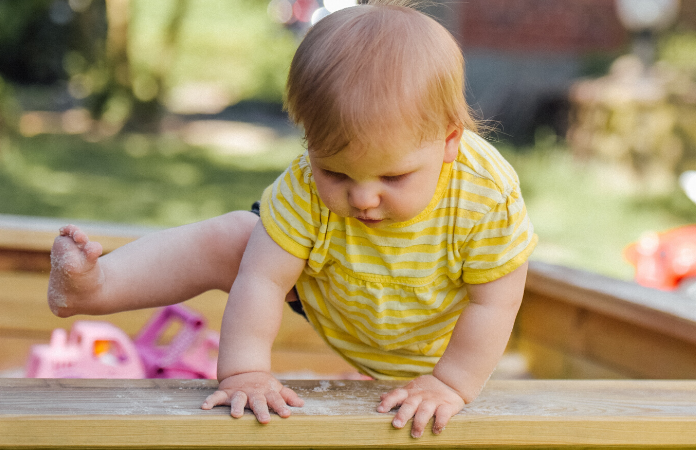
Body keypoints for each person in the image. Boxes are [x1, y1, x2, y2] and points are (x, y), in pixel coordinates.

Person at [45, 0, 536, 438]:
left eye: (394, 177)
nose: (363, 198)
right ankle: (96, 284)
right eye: (336, 172)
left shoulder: (485, 194)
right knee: (238, 238)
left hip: (441, 337)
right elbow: (261, 279)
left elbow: (494, 302)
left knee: (475, 317)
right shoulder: (303, 184)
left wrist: (449, 383)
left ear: (450, 142)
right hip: (339, 295)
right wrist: (244, 372)